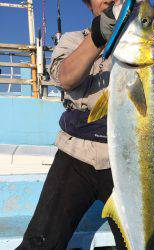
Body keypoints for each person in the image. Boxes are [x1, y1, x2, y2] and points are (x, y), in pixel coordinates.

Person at [16, 0, 127, 249]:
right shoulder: (74, 39)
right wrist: (98, 36)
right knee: (40, 241)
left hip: (127, 157)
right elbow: (65, 77)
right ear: (89, 5)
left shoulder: (137, 44)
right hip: (77, 153)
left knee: (140, 241)